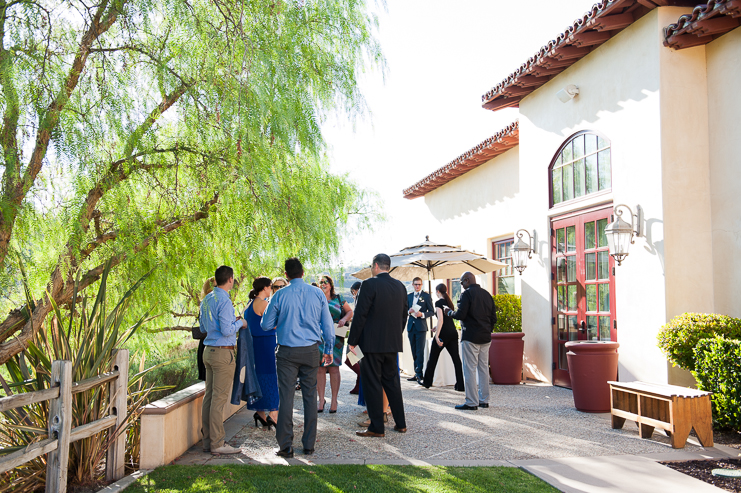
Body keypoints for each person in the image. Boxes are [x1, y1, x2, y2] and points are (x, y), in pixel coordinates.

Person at [260, 257, 334, 457]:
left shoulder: (279, 296)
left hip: (287, 352)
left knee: (286, 398)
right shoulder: (318, 293)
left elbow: (265, 325)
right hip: (311, 350)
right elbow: (327, 325)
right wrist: (329, 348)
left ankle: (286, 446)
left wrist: (281, 321)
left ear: (286, 275)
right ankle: (309, 445)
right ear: (303, 273)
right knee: (310, 397)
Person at [348, 253, 408, 437]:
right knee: (392, 383)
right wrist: (396, 334)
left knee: (373, 383)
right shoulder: (400, 286)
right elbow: (404, 314)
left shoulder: (369, 284)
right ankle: (401, 423)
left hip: (371, 344)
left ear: (375, 266)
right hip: (392, 343)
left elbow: (360, 314)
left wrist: (352, 341)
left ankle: (376, 427)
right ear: (387, 266)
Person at [199, 265, 246, 455]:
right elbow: (227, 330)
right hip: (222, 353)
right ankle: (217, 443)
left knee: (209, 398)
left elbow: (203, 327)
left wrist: (229, 322)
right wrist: (240, 323)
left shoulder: (207, 299)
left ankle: (207, 441)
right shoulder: (225, 301)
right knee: (218, 400)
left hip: (208, 350)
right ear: (230, 280)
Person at [446, 272, 497, 411]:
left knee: (469, 369)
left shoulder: (466, 294)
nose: (461, 285)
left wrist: (449, 312)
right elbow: (494, 318)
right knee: (483, 369)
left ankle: (471, 402)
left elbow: (460, 315)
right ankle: (484, 400)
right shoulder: (487, 294)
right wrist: (487, 330)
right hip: (486, 337)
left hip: (471, 337)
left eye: (462, 282)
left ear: (467, 280)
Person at [244, 276, 279, 429]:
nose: (271, 289)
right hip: (266, 343)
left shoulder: (250, 304)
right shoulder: (263, 304)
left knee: (259, 377)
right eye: (270, 287)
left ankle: (260, 412)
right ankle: (273, 413)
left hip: (254, 344)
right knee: (271, 377)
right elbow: (276, 323)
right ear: (264, 288)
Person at [317, 275, 353, 413]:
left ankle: (334, 400)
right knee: (319, 368)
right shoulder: (316, 298)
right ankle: (321, 399)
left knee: (334, 368)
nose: (323, 284)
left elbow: (350, 311)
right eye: (321, 282)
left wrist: (343, 319)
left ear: (330, 285)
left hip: (336, 337)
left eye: (325, 282)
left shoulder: (338, 298)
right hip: (319, 337)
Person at [421, 283, 464, 391]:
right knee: (456, 359)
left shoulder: (439, 302)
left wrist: (437, 335)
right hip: (453, 332)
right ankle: (460, 384)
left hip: (444, 334)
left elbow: (441, 319)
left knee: (433, 358)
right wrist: (437, 327)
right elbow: (447, 320)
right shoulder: (449, 302)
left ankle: (427, 382)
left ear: (438, 291)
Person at [406, 276, 434, 383]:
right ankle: (416, 372)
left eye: (419, 284)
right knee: (413, 350)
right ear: (412, 285)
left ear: (421, 285)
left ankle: (419, 374)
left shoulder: (426, 296)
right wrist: (409, 311)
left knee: (419, 350)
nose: (417, 286)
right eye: (415, 284)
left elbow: (432, 311)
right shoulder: (409, 296)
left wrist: (422, 314)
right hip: (411, 326)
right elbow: (404, 311)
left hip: (421, 327)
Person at [345, 281, 362, 395]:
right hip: (357, 334)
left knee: (350, 359)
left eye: (353, 291)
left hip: (358, 336)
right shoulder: (358, 301)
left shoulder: (361, 301)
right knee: (356, 360)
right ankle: (358, 383)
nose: (353, 294)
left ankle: (362, 377)